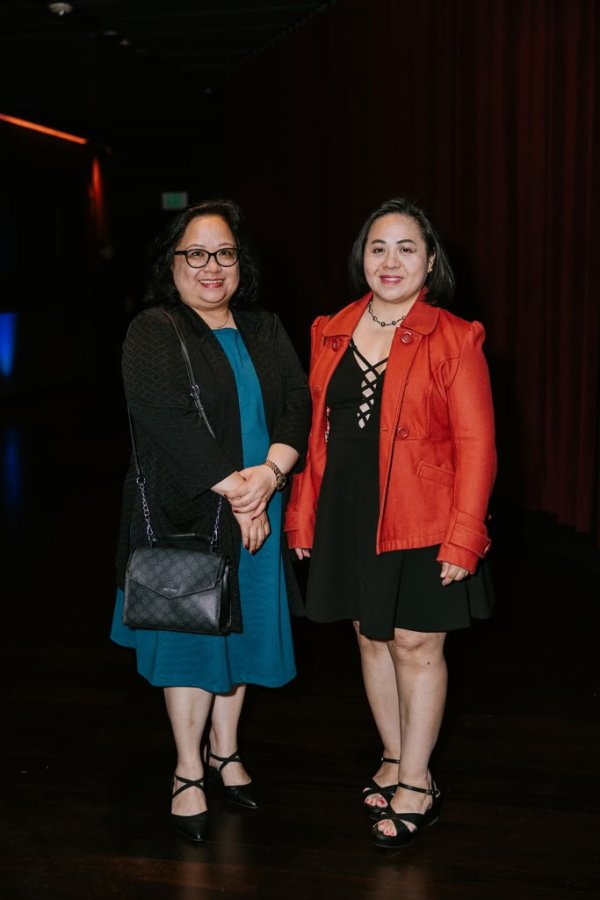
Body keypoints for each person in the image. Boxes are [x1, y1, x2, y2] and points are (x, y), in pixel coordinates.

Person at [285, 197, 496, 849]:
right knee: (369, 638)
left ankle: (417, 780)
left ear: (430, 260)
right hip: (347, 512)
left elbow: (478, 445)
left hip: (424, 516)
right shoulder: (330, 329)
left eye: (407, 246)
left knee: (415, 644)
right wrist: (301, 515)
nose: (391, 259)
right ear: (362, 259)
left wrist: (465, 535)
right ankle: (394, 752)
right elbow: (315, 434)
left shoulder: (455, 336)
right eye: (378, 246)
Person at [110, 199, 310, 842]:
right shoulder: (154, 330)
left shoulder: (264, 326)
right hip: (192, 512)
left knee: (241, 637)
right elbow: (165, 421)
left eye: (223, 252)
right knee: (194, 644)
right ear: (172, 263)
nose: (210, 266)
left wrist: (270, 478)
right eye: (194, 253)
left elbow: (296, 406)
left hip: (260, 505)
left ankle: (226, 752)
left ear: (239, 262)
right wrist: (239, 493)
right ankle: (187, 768)